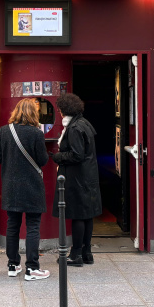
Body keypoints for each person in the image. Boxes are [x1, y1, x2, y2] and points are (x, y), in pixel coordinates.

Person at [0, 98, 50, 281]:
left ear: (16, 111)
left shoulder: (4, 131)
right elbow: (43, 160)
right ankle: (32, 268)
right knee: (33, 226)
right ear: (34, 113)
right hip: (32, 186)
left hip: (11, 186)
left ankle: (13, 264)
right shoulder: (36, 133)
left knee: (12, 225)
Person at [52, 93, 102, 267]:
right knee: (87, 216)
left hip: (78, 177)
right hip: (88, 176)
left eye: (59, 109)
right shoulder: (84, 123)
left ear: (64, 110)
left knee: (78, 216)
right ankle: (87, 252)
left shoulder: (73, 129)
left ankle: (75, 255)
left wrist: (58, 156)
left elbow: (77, 154)